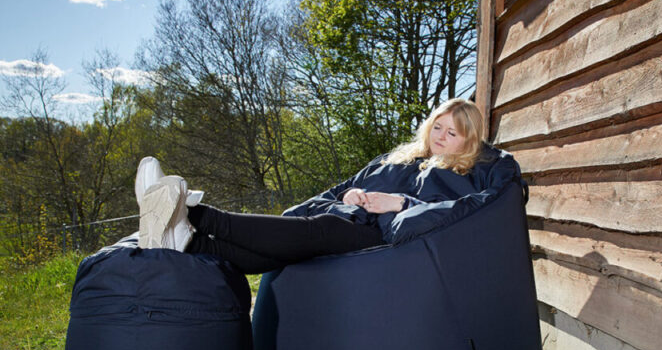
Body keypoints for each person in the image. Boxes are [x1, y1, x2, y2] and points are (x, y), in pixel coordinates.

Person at [135, 98, 521, 274]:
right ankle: (187, 242)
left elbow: (453, 215)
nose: (440, 136)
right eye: (438, 126)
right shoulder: (398, 157)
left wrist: (399, 204)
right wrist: (348, 195)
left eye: (452, 133)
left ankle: (194, 214)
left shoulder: (463, 174)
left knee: (323, 230)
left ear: (468, 141)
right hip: (352, 216)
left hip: (382, 236)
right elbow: (348, 185)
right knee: (280, 256)